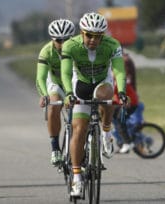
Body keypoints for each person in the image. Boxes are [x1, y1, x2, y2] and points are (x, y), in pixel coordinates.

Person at [61, 12, 127, 197]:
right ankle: (76, 178)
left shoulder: (112, 45)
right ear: (82, 33)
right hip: (80, 84)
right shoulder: (70, 45)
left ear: (103, 36)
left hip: (101, 82)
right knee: (79, 129)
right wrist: (67, 93)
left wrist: (122, 91)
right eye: (89, 35)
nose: (93, 40)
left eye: (98, 36)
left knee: (107, 96)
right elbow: (66, 73)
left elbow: (119, 71)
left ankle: (106, 132)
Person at [36, 19, 75, 166]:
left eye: (67, 40)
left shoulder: (79, 48)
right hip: (56, 84)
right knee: (53, 106)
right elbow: (40, 77)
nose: (63, 44)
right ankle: (55, 148)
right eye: (59, 40)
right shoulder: (46, 51)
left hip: (75, 83)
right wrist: (44, 95)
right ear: (53, 39)